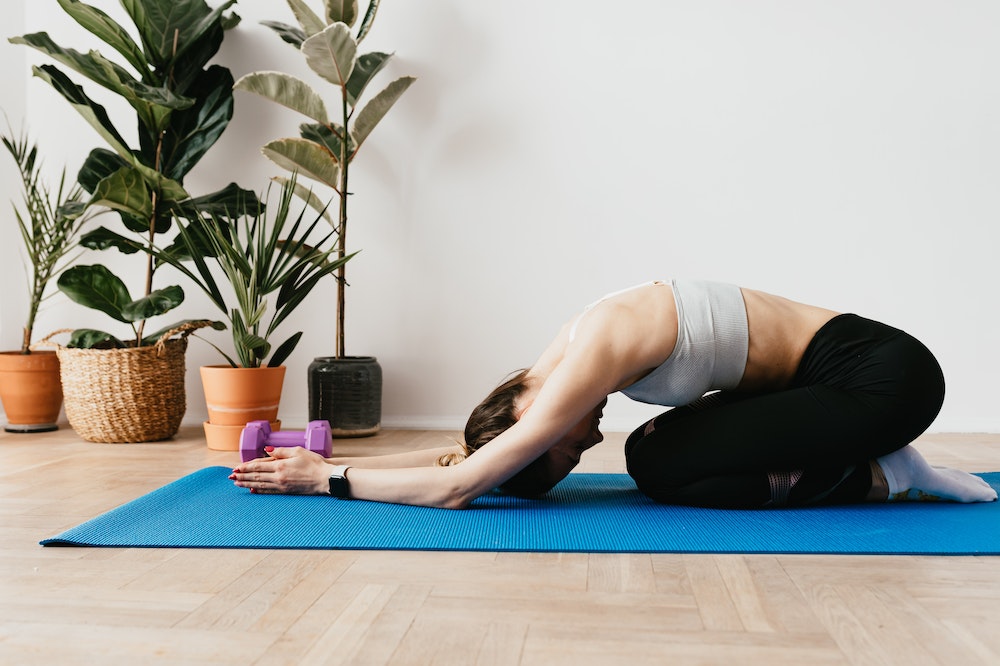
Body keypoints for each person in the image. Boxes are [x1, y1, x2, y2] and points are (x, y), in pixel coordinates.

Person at [231, 279, 997, 509]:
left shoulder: (588, 354)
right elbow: (465, 459)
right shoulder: (562, 351)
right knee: (658, 452)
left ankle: (896, 470)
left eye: (562, 449)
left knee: (658, 466)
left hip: (884, 378)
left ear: (522, 416)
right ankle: (877, 467)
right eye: (572, 455)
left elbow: (462, 484)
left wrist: (326, 477)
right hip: (836, 384)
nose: (585, 439)